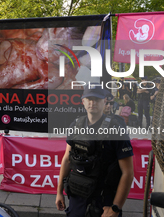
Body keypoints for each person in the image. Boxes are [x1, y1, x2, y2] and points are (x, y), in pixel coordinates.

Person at [55, 86, 134, 217]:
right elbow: (67, 160)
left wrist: (115, 208)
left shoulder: (116, 128)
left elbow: (128, 172)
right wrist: (59, 192)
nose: (93, 103)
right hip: (78, 197)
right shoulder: (75, 125)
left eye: (97, 99)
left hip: (104, 201)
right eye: (89, 99)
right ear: (83, 102)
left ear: (104, 101)